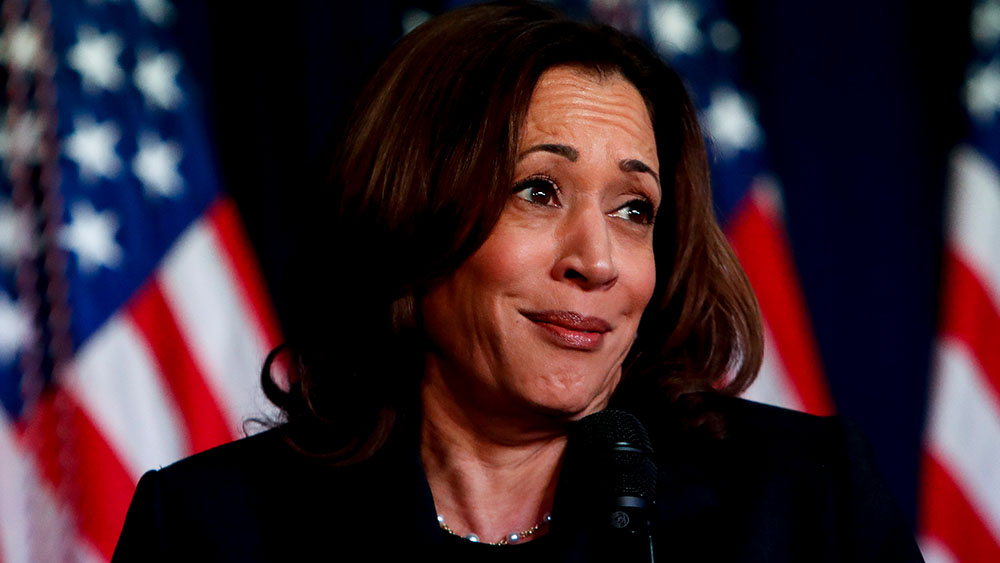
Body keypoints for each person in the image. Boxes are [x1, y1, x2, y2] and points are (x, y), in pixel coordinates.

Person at [112, 2, 923, 561]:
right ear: (410, 213)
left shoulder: (809, 505)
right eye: (538, 190)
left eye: (634, 209)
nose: (597, 261)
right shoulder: (210, 532)